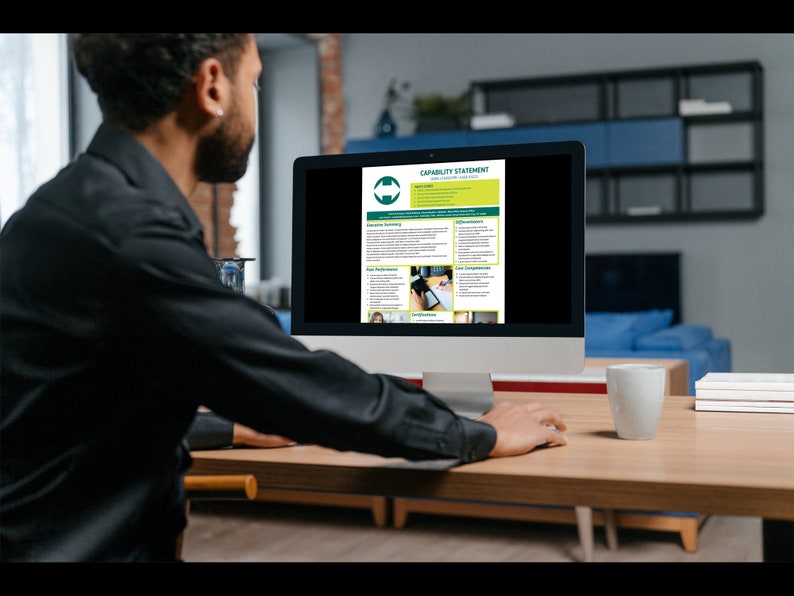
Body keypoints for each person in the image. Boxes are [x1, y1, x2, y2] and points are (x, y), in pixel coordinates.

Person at [0, 34, 567, 562]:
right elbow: (305, 387)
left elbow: (70, 416)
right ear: (213, 85)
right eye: (255, 82)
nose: (255, 104)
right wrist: (483, 432)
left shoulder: (62, 211)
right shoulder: (131, 238)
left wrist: (230, 426)